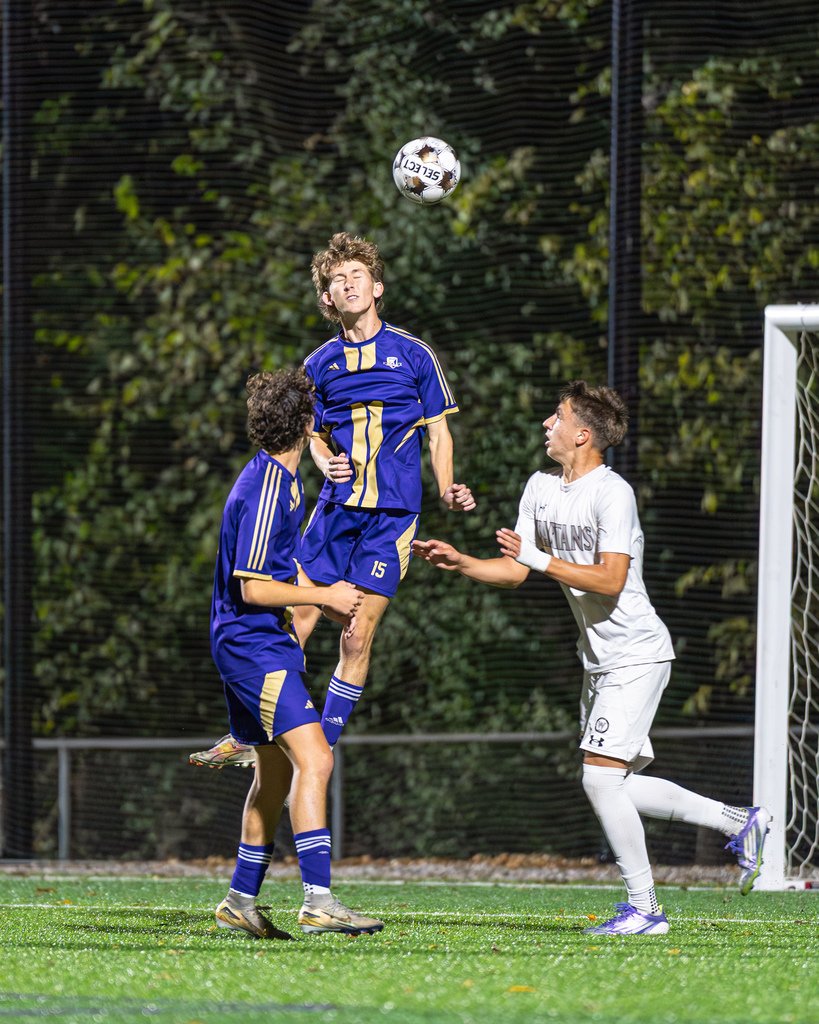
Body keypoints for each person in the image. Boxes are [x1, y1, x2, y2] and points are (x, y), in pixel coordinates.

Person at [411, 380, 770, 936]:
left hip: (637, 653)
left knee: (599, 780)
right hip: (598, 661)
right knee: (616, 784)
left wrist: (539, 558)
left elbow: (610, 578)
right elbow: (516, 571)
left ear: (582, 434)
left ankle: (646, 909)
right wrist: (462, 563)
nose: (545, 426)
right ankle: (739, 822)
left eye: (556, 417)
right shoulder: (539, 486)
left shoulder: (613, 493)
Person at [191, 231, 475, 768]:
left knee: (356, 634)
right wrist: (321, 456)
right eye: (336, 280)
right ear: (326, 300)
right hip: (335, 510)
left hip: (391, 517)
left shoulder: (414, 355)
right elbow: (305, 430)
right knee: (296, 618)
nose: (347, 284)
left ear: (377, 286)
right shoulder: (319, 364)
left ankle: (317, 747)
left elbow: (438, 432)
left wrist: (445, 486)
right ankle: (254, 736)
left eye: (356, 276)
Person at [210, 367, 383, 939]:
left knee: (277, 773)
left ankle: (240, 900)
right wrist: (323, 594)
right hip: (252, 644)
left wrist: (317, 599)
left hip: (252, 640)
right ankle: (319, 901)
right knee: (317, 759)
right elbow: (252, 586)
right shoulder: (267, 489)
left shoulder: (277, 479)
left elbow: (278, 571)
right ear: (308, 423)